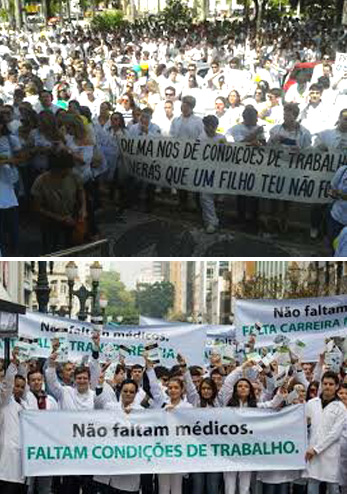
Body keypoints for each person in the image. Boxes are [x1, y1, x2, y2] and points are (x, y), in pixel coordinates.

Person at [31, 149, 86, 253]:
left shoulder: (73, 176)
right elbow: (37, 208)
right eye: (66, 169)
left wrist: (83, 208)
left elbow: (81, 191)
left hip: (70, 219)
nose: (69, 171)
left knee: (71, 248)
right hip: (50, 222)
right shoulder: (41, 181)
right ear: (56, 169)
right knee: (51, 250)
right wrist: (60, 218)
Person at [305, 371, 346, 494]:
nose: (327, 386)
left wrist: (316, 449)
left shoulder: (341, 408)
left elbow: (334, 434)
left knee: (333, 486)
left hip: (329, 453)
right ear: (321, 385)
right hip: (311, 452)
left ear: (337, 386)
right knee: (312, 484)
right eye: (325, 383)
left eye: (331, 384)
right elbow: (304, 425)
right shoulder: (312, 403)